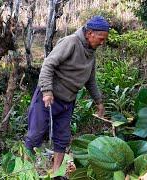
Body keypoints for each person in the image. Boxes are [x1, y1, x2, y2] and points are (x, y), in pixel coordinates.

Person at [24, 15, 110, 173]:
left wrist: (99, 101)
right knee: (36, 134)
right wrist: (47, 91)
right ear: (90, 33)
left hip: (67, 102)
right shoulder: (71, 42)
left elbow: (90, 80)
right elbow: (48, 64)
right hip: (48, 97)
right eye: (101, 38)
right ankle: (25, 170)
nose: (102, 42)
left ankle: (56, 173)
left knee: (62, 139)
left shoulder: (91, 52)